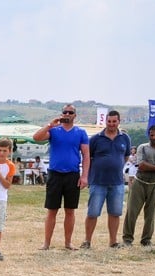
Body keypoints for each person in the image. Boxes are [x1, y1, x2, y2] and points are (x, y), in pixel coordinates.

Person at [33, 104, 90, 250]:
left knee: (70, 210)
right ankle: (46, 243)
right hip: (55, 174)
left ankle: (68, 242)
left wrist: (84, 176)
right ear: (61, 114)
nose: (67, 114)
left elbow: (86, 155)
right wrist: (49, 125)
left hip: (72, 175)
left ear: (74, 115)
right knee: (52, 210)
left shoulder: (81, 132)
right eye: (65, 112)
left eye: (70, 112)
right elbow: (36, 137)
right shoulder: (54, 131)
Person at [82, 110, 130, 249]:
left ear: (119, 121)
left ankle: (113, 241)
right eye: (109, 121)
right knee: (93, 213)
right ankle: (87, 241)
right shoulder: (96, 139)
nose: (111, 124)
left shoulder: (125, 138)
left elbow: (126, 157)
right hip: (98, 181)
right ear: (105, 122)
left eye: (114, 121)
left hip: (117, 183)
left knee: (115, 213)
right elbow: (87, 158)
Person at [122, 125, 155, 248]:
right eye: (151, 135)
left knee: (151, 214)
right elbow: (141, 165)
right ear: (148, 135)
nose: (154, 137)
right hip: (140, 182)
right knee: (132, 212)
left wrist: (153, 167)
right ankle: (127, 239)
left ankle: (146, 240)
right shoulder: (142, 148)